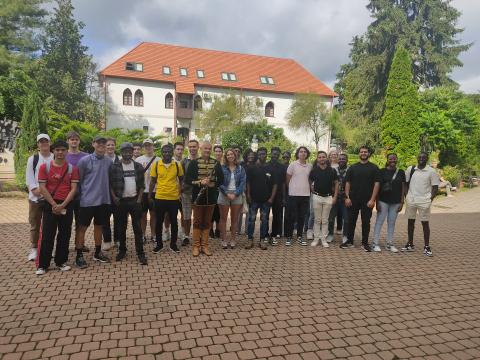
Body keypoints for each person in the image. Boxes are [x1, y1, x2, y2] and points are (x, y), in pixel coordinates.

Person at [36, 140, 79, 275]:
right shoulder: (45, 167)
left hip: (66, 204)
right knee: (47, 236)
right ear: (53, 151)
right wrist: (54, 205)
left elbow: (73, 189)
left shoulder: (73, 168)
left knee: (64, 235)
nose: (60, 152)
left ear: (67, 151)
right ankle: (43, 265)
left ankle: (61, 262)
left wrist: (63, 205)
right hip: (50, 205)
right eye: (57, 150)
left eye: (63, 150)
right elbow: (42, 188)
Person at [75, 135, 112, 267]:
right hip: (87, 201)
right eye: (98, 143)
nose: (101, 145)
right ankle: (79, 255)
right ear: (93, 144)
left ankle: (97, 252)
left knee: (99, 227)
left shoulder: (109, 161)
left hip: (103, 201)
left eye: (104, 142)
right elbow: (78, 181)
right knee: (82, 228)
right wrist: (81, 197)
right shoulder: (84, 161)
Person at [109, 142, 147, 264]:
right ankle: (122, 250)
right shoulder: (114, 166)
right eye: (125, 151)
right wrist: (114, 197)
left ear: (132, 152)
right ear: (121, 153)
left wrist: (140, 199)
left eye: (129, 151)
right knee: (121, 228)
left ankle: (140, 253)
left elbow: (142, 185)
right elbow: (110, 184)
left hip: (135, 201)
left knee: (137, 228)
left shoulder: (138, 166)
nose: (127, 153)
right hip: (120, 202)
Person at [185, 142, 223, 256]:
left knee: (207, 223)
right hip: (198, 197)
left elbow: (221, 179)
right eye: (205, 148)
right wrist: (200, 182)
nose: (207, 150)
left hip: (211, 198)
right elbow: (187, 180)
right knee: (197, 222)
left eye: (209, 149)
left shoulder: (216, 163)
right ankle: (196, 246)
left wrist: (213, 184)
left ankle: (205, 246)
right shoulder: (193, 163)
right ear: (201, 149)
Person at [342, 146, 381, 252]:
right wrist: (347, 197)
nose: (363, 153)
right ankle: (349, 241)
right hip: (353, 199)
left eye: (365, 152)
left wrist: (372, 199)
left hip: (367, 200)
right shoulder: (353, 167)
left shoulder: (374, 168)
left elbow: (377, 184)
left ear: (368, 154)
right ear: (359, 153)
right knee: (351, 221)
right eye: (361, 152)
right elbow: (347, 183)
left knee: (366, 222)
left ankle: (364, 243)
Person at [403, 152, 440, 256]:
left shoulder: (431, 171)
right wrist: (407, 196)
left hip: (424, 201)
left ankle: (427, 247)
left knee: (425, 223)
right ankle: (410, 244)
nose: (421, 159)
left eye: (423, 157)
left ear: (427, 159)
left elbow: (435, 187)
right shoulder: (411, 169)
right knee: (410, 222)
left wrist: (430, 199)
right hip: (411, 200)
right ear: (417, 158)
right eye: (419, 157)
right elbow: (405, 184)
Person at [150, 144, 184, 254]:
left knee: (174, 222)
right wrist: (150, 195)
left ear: (172, 152)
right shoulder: (156, 165)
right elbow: (153, 181)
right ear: (161, 153)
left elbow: (181, 179)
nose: (167, 154)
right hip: (160, 197)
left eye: (169, 151)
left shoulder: (177, 165)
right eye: (165, 152)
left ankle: (173, 244)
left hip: (173, 198)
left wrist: (179, 192)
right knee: (159, 221)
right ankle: (159, 244)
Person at [25, 134, 53, 261]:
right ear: (38, 144)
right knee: (35, 224)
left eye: (45, 141)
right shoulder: (33, 159)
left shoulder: (54, 157)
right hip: (35, 198)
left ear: (49, 142)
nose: (43, 144)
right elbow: (29, 177)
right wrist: (35, 190)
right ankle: (34, 249)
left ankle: (49, 248)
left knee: (50, 225)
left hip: (51, 198)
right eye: (41, 142)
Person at [372, 153, 405, 252]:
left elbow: (403, 187)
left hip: (395, 201)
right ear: (387, 160)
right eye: (390, 159)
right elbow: (377, 187)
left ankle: (389, 243)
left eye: (394, 159)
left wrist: (402, 201)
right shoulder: (381, 171)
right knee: (379, 222)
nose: (392, 160)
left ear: (397, 160)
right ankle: (375, 243)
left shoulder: (401, 172)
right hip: (383, 200)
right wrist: (377, 202)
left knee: (392, 223)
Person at [246, 147, 277, 250]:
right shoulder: (252, 168)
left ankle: (262, 240)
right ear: (257, 155)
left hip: (266, 200)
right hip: (254, 199)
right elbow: (248, 183)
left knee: (265, 220)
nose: (261, 156)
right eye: (259, 154)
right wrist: (249, 196)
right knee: (251, 220)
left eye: (263, 154)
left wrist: (271, 198)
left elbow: (275, 185)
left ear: (266, 155)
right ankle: (250, 239)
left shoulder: (270, 168)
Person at [65, 130, 89, 252]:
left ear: (79, 141)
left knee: (81, 222)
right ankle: (64, 246)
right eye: (71, 139)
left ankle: (80, 244)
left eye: (76, 139)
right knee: (66, 223)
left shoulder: (86, 156)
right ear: (68, 141)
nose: (74, 141)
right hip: (66, 195)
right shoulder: (63, 155)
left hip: (82, 195)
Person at [309, 151, 338, 248]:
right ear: (317, 159)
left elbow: (336, 183)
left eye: (323, 157)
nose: (322, 159)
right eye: (320, 157)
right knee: (317, 219)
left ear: (326, 158)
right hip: (317, 197)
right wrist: (311, 189)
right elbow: (310, 180)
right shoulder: (314, 170)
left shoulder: (332, 171)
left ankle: (323, 239)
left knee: (325, 220)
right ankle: (316, 239)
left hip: (328, 197)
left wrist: (335, 197)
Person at [218, 148, 246, 249]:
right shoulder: (222, 168)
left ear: (235, 155)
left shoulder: (240, 168)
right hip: (224, 195)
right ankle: (224, 239)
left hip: (236, 195)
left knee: (234, 220)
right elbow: (219, 182)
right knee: (223, 219)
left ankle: (233, 239)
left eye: (232, 154)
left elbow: (243, 182)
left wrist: (236, 193)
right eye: (228, 155)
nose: (230, 156)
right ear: (225, 157)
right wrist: (227, 193)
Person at [285, 146, 312, 246]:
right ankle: (289, 237)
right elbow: (288, 179)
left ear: (307, 154)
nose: (303, 153)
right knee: (291, 217)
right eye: (301, 151)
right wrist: (293, 188)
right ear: (298, 153)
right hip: (293, 195)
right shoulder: (293, 165)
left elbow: (309, 180)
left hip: (305, 195)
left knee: (302, 217)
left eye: (305, 152)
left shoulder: (310, 166)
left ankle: (300, 237)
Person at [135, 138, 160, 243]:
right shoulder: (138, 160)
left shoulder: (158, 160)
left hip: (155, 191)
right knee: (143, 215)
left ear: (153, 146)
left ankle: (153, 235)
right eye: (146, 145)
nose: (148, 147)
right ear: (143, 147)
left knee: (154, 214)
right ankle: (143, 235)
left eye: (149, 145)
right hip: (142, 191)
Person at [103, 137, 120, 250]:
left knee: (118, 218)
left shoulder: (121, 159)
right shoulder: (101, 159)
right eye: (108, 145)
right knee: (105, 219)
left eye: (112, 144)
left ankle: (118, 239)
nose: (110, 147)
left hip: (118, 195)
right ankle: (107, 240)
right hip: (104, 194)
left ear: (115, 146)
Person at [180, 139, 199, 246]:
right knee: (186, 216)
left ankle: (197, 236)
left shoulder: (201, 160)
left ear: (198, 147)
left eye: (194, 146)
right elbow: (180, 178)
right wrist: (179, 191)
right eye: (190, 147)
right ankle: (186, 236)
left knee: (198, 216)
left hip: (199, 193)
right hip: (186, 193)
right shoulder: (184, 161)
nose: (192, 149)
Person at [327, 153, 349, 244]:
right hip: (334, 197)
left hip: (345, 198)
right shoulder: (333, 170)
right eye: (340, 159)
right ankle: (330, 234)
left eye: (343, 159)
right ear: (337, 160)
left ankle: (345, 236)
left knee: (346, 219)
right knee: (331, 218)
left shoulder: (350, 170)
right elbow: (330, 183)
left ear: (347, 160)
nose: (341, 160)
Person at [268, 147, 286, 245]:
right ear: (271, 154)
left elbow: (283, 183)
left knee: (277, 216)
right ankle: (265, 235)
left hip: (278, 195)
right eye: (274, 154)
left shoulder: (282, 167)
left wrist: (283, 197)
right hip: (267, 194)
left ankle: (273, 235)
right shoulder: (266, 165)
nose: (275, 155)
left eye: (277, 154)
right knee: (265, 215)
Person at [237, 149, 257, 235]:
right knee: (239, 211)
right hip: (241, 190)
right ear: (246, 156)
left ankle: (247, 230)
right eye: (249, 155)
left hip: (252, 191)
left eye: (252, 155)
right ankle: (237, 229)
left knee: (249, 211)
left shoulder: (256, 166)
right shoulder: (241, 165)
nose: (251, 156)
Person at [210, 145, 224, 238]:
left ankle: (218, 230)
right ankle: (210, 230)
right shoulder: (211, 163)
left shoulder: (225, 164)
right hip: (212, 191)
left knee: (219, 212)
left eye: (219, 151)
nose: (218, 153)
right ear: (214, 152)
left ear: (222, 153)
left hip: (222, 191)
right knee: (211, 211)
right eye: (216, 151)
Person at [282, 151, 292, 237]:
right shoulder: (280, 167)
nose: (285, 158)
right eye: (284, 157)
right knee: (278, 213)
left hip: (290, 192)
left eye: (287, 157)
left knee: (288, 214)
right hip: (280, 192)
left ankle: (287, 232)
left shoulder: (291, 166)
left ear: (290, 157)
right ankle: (278, 231)